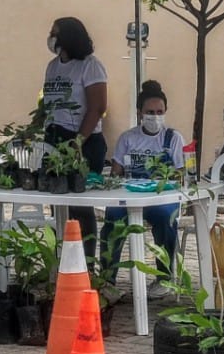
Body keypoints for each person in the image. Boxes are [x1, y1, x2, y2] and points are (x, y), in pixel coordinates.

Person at [104, 81, 186, 292]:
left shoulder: (173, 139)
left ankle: (164, 277)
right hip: (129, 197)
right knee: (113, 217)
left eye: (160, 112)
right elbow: (116, 173)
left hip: (161, 198)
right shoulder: (128, 138)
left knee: (166, 219)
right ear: (140, 113)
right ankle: (107, 280)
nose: (155, 116)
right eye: (150, 112)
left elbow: (180, 174)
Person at [40, 16, 108, 254]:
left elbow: (97, 107)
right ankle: (62, 258)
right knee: (58, 203)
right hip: (54, 139)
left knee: (80, 205)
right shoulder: (52, 66)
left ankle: (86, 260)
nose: (51, 37)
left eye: (55, 32)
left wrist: (79, 141)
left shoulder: (90, 65)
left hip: (83, 141)